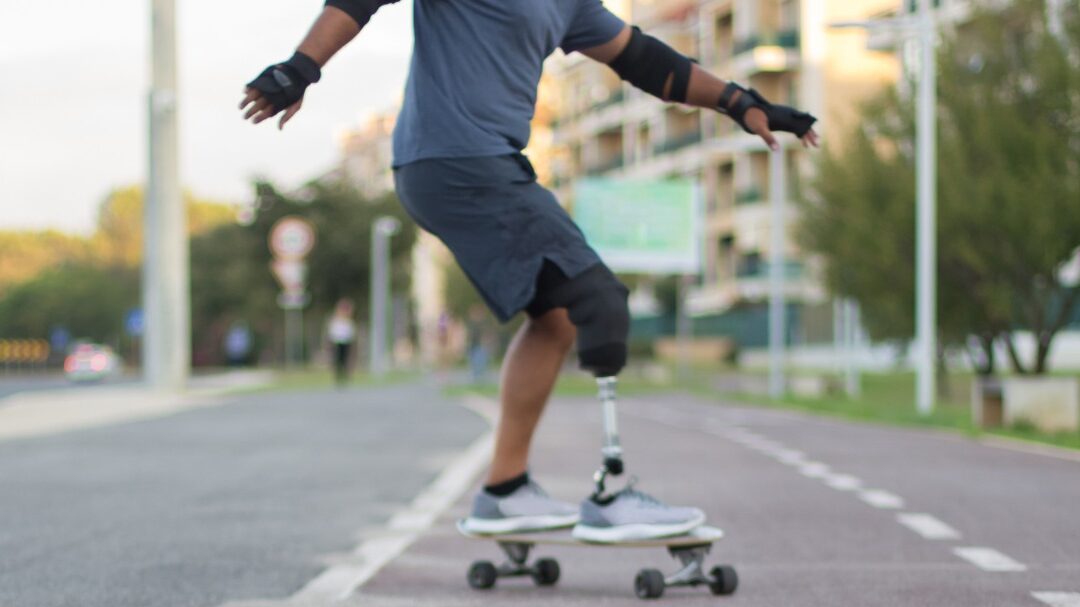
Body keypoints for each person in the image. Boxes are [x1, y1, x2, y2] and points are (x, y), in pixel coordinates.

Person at [241, 0, 818, 542]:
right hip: (457, 159)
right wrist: (302, 66)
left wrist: (740, 102)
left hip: (477, 163)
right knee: (599, 302)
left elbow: (647, 61)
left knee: (560, 316)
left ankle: (505, 489)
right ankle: (612, 492)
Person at [326, 298, 358, 387]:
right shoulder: (335, 320)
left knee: (346, 360)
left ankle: (346, 376)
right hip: (337, 342)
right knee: (337, 360)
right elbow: (332, 333)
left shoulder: (349, 321)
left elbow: (351, 333)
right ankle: (338, 377)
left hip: (346, 342)